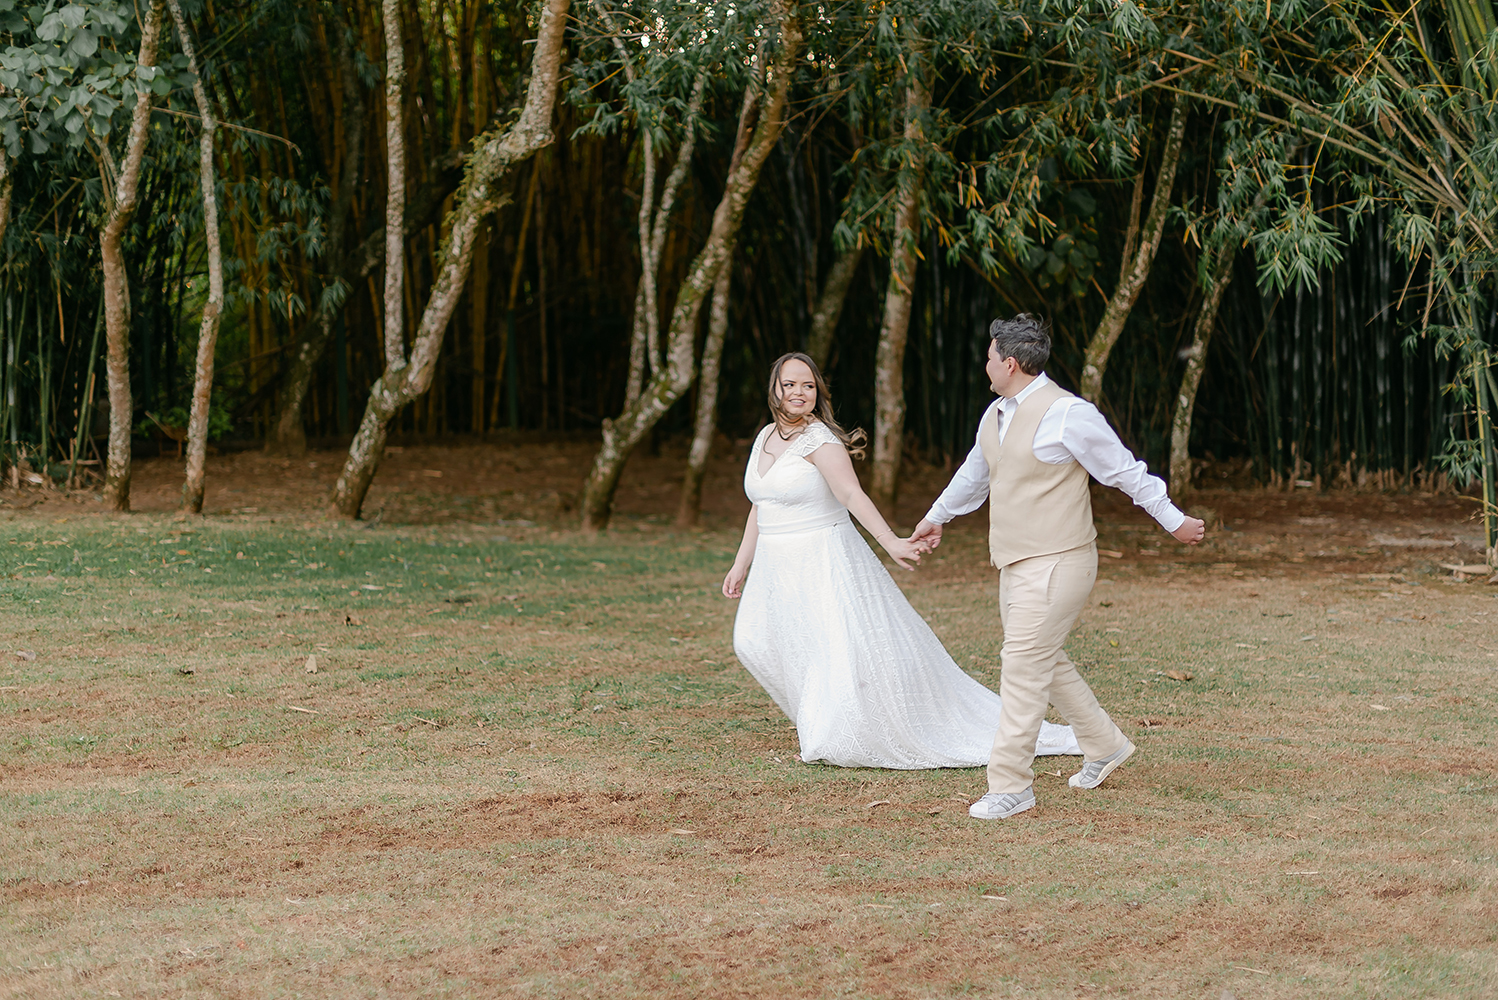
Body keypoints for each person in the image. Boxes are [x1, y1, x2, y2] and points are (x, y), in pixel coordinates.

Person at [722, 352, 1082, 768]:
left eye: (807, 385)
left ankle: (832, 730)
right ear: (776, 389)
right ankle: (816, 715)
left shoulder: (818, 440)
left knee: (830, 647)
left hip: (820, 555)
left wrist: (890, 541)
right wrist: (741, 563)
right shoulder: (766, 435)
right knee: (752, 639)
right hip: (775, 561)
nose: (799, 392)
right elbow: (760, 504)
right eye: (790, 384)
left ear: (817, 391)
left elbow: (851, 495)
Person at [910, 315, 1205, 819]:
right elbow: (973, 475)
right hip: (1014, 562)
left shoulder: (1069, 413)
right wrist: (935, 517)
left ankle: (1011, 786)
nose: (984, 364)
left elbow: (1125, 471)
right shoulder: (995, 415)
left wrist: (1173, 520)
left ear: (1009, 362)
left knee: (1022, 667)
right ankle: (1104, 744)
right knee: (1043, 660)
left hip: (1061, 561)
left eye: (988, 356)